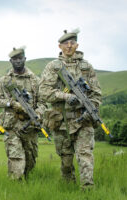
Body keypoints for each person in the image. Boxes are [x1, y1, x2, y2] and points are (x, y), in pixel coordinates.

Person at [39, 29, 101, 189]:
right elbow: (44, 92)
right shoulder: (53, 67)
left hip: (84, 120)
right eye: (66, 43)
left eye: (72, 42)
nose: (69, 46)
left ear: (77, 45)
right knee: (66, 160)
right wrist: (65, 96)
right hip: (62, 121)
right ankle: (68, 188)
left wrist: (91, 108)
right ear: (60, 46)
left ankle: (88, 189)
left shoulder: (87, 67)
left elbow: (96, 93)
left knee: (85, 155)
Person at [0, 47, 45, 180]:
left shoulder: (35, 80)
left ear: (25, 59)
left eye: (20, 58)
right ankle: (15, 186)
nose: (17, 61)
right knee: (16, 161)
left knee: (30, 162)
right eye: (14, 59)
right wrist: (11, 104)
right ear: (10, 61)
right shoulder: (4, 81)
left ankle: (27, 185)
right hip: (11, 126)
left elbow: (43, 102)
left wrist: (38, 114)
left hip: (30, 127)